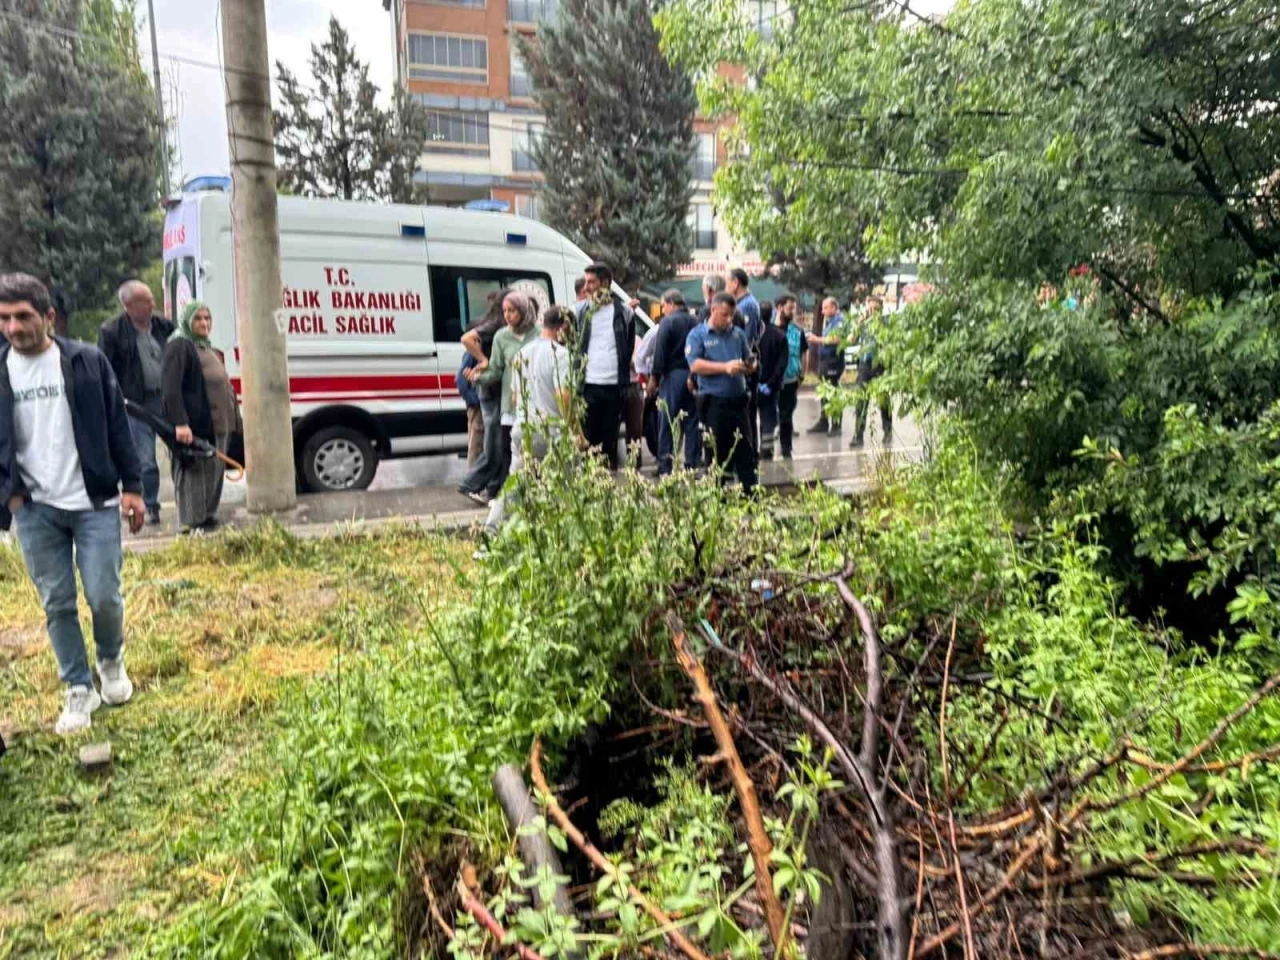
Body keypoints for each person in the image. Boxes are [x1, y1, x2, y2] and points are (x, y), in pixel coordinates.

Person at [0, 273, 145, 736]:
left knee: (104, 594)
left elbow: (117, 424)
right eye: (4, 318)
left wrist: (133, 486)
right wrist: (8, 494)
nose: (13, 327)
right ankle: (78, 686)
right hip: (35, 509)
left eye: (22, 317)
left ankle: (110, 660)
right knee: (57, 602)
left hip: (93, 501)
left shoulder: (86, 361)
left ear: (48, 317)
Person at [483, 305, 575, 533]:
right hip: (550, 431)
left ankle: (490, 534)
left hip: (522, 428)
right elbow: (563, 396)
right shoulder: (561, 354)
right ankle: (563, 534)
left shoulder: (522, 353)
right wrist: (575, 431)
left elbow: (515, 397)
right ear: (563, 327)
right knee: (569, 484)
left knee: (513, 486)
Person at [97, 280, 174, 525]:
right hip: (135, 405)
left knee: (183, 451)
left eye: (152, 299)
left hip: (167, 400)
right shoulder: (112, 332)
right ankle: (150, 505)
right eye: (146, 301)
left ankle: (189, 499)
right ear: (129, 306)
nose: (153, 304)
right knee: (145, 460)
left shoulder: (164, 325)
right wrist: (117, 404)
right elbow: (105, 371)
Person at [162, 301, 240, 534]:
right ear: (187, 321)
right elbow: (171, 389)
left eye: (207, 318)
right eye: (198, 318)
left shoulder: (206, 348)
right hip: (197, 425)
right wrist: (180, 423)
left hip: (219, 424)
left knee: (213, 474)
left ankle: (206, 518)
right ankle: (191, 524)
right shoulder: (179, 346)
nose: (204, 323)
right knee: (194, 475)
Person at [469, 292, 537, 502]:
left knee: (534, 450)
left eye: (512, 311)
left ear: (524, 311)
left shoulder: (538, 334)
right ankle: (509, 498)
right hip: (511, 403)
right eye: (505, 311)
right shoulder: (501, 337)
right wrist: (478, 378)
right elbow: (496, 369)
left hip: (535, 403)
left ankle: (534, 494)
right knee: (508, 452)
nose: (507, 315)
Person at [687, 292, 758, 492]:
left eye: (731, 315)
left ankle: (751, 496)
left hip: (738, 402)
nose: (728, 320)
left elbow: (749, 358)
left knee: (746, 452)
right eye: (724, 315)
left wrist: (749, 365)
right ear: (713, 310)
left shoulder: (737, 334)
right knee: (716, 454)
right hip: (714, 404)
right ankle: (718, 497)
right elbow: (695, 365)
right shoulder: (698, 335)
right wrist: (725, 367)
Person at [573, 263, 636, 470]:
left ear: (605, 283)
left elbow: (627, 347)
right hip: (588, 385)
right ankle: (590, 479)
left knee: (610, 440)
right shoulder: (580, 311)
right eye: (585, 282)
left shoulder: (624, 313)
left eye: (591, 282)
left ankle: (608, 479)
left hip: (614, 386)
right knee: (588, 439)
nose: (586, 287)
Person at [458, 290, 515, 504]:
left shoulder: (492, 323)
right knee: (494, 443)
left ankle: (493, 487)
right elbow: (467, 339)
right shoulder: (494, 325)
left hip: (492, 389)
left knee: (498, 441)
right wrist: (484, 360)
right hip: (490, 390)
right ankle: (473, 483)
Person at [649, 289, 700, 476]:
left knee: (667, 421)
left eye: (663, 306)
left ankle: (665, 465)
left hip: (672, 377)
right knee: (692, 421)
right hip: (693, 374)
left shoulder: (667, 322)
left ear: (671, 303)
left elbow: (660, 353)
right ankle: (692, 465)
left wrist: (654, 378)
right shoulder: (696, 322)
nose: (663, 310)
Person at [851, 297, 892, 448]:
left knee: (883, 400)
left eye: (876, 309)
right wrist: (858, 325)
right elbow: (852, 339)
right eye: (870, 309)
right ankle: (858, 435)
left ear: (881, 309)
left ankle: (887, 431)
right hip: (865, 364)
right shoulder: (864, 323)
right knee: (861, 400)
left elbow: (891, 341)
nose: (872, 312)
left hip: (880, 364)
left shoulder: (886, 322)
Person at [772, 295, 808, 460]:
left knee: (786, 415)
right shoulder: (768, 328)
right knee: (770, 415)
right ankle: (766, 449)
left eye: (794, 308)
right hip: (772, 380)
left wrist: (802, 374)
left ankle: (786, 448)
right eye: (790, 308)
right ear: (780, 308)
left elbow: (803, 353)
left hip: (790, 379)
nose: (793, 312)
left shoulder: (797, 331)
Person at [806, 297, 848, 436]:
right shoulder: (830, 321)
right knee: (824, 393)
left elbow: (837, 339)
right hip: (825, 361)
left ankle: (836, 425)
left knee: (833, 393)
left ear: (834, 308)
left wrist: (816, 339)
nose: (822, 312)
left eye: (825, 308)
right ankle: (823, 421)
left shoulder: (839, 321)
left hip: (834, 361)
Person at [755, 300, 790, 461]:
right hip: (772, 386)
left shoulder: (754, 334)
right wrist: (770, 384)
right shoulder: (780, 335)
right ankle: (766, 451)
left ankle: (754, 449)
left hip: (754, 384)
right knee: (768, 419)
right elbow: (782, 365)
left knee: (750, 418)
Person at [725, 268, 763, 346]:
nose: (725, 287)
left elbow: (748, 337)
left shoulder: (747, 305)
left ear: (735, 283)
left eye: (727, 282)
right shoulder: (743, 303)